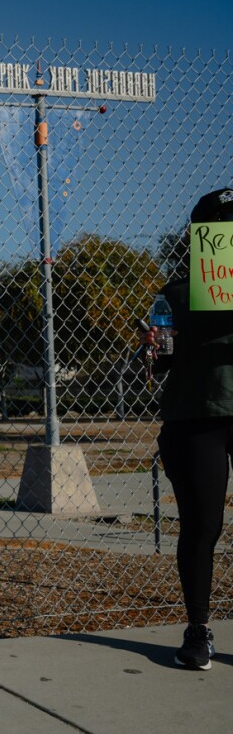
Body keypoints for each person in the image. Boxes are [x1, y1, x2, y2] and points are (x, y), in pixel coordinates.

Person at [143, 187, 233, 671]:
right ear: (201, 236)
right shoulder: (176, 293)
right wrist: (156, 348)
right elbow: (159, 365)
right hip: (196, 416)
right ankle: (198, 628)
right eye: (221, 223)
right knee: (203, 526)